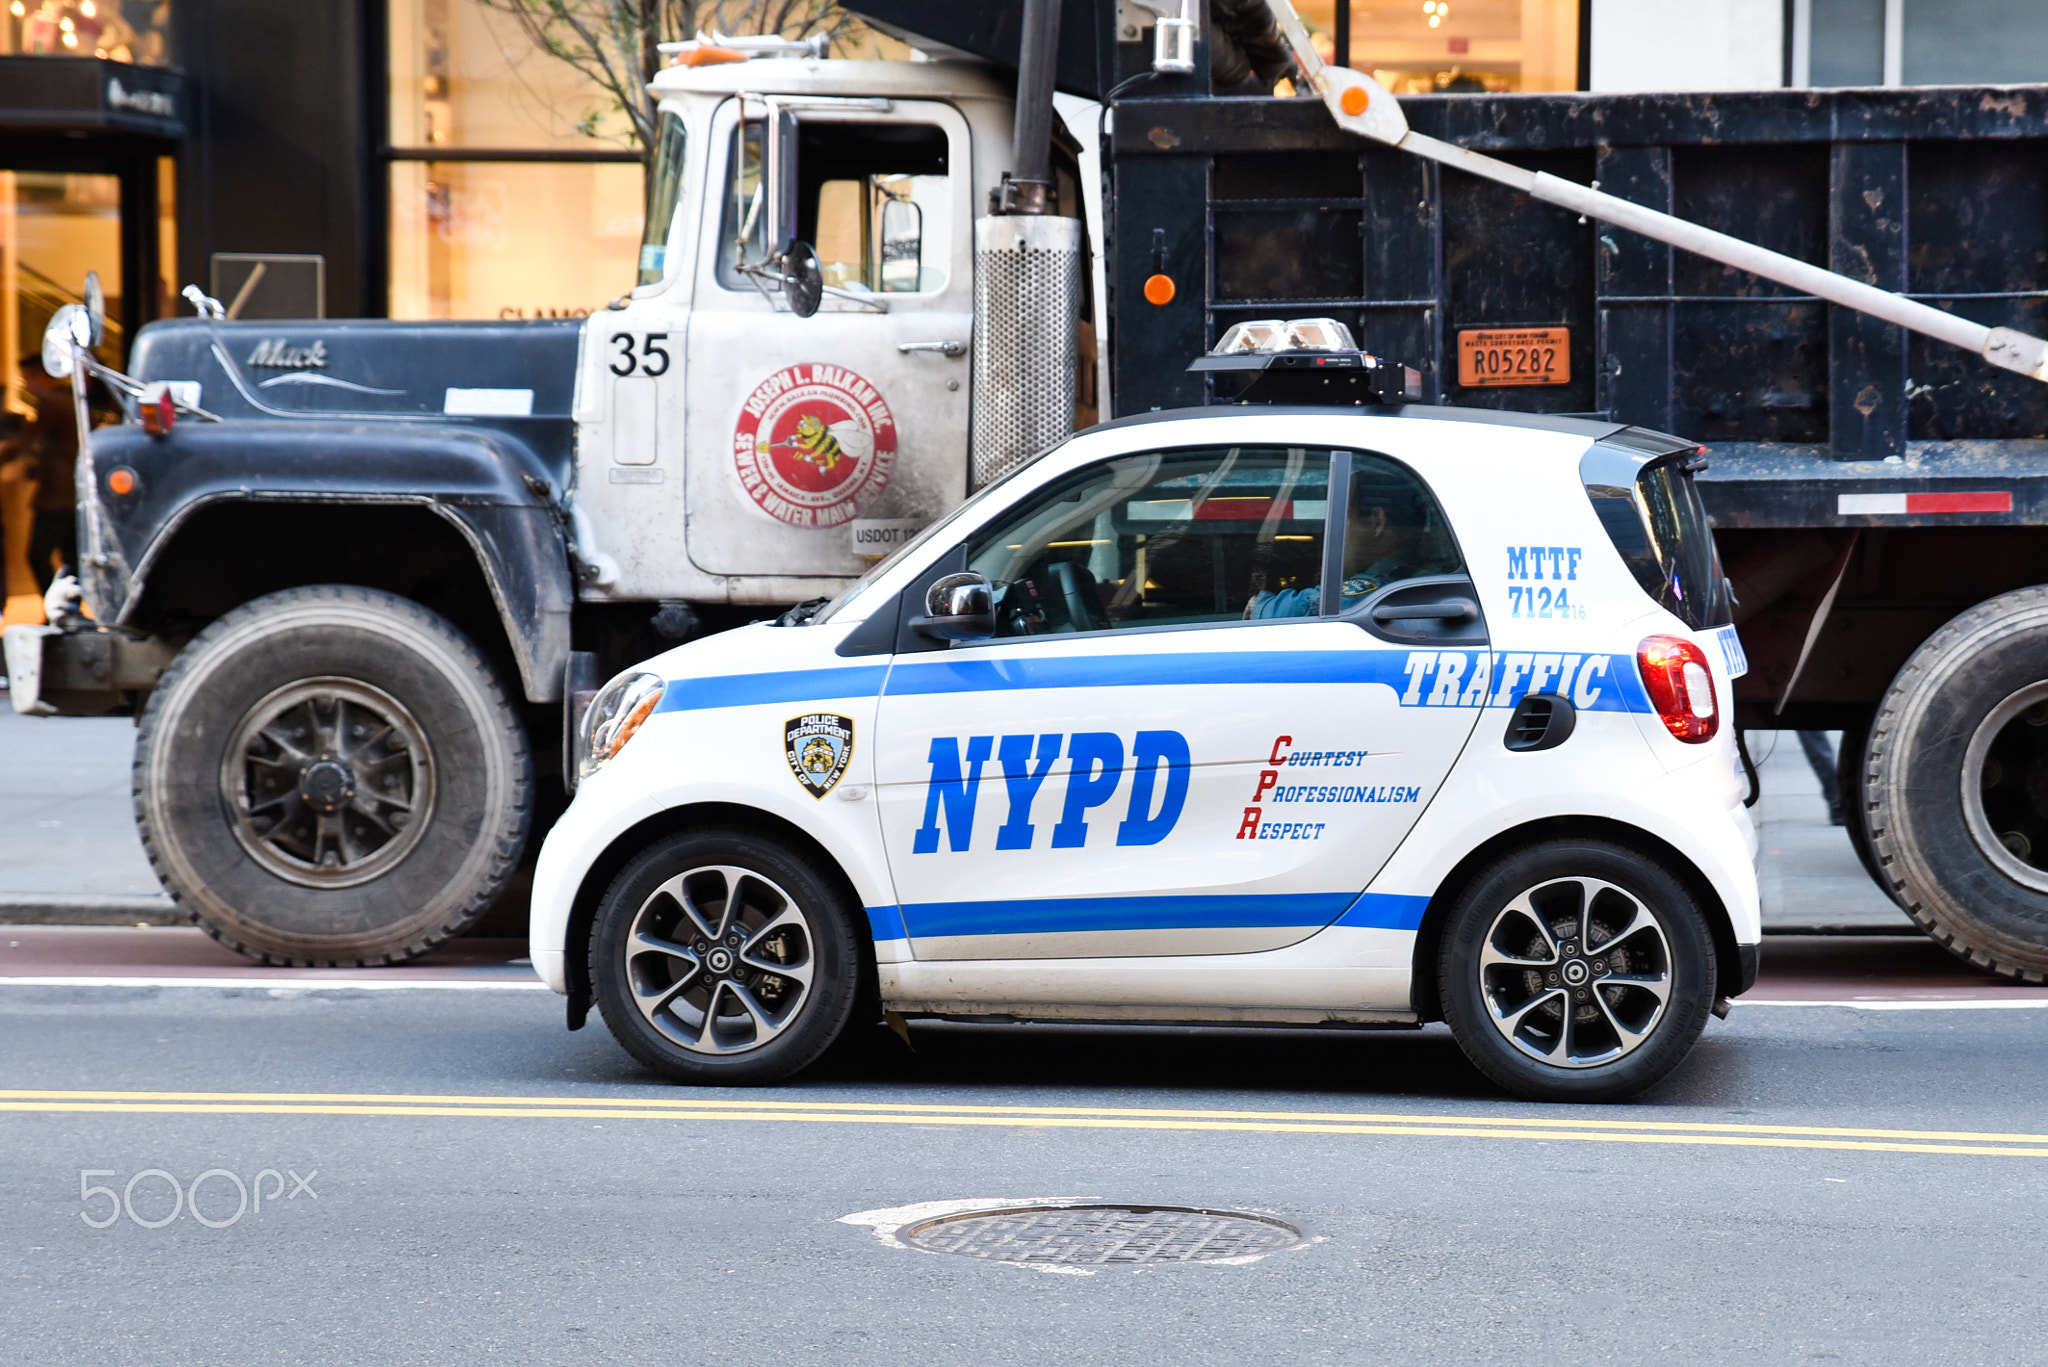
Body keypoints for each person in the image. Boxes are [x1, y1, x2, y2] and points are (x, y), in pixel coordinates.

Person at [1246, 467, 1429, 618]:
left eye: (1342, 519)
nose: (1332, 532)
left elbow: (1316, 606)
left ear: (1376, 522)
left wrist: (1261, 607)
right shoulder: (1420, 573)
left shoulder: (1382, 584)